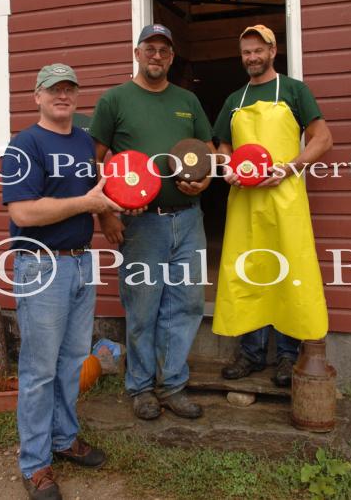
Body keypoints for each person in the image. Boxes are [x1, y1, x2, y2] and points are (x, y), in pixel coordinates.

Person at [2, 64, 122, 500]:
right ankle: (34, 464)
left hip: (80, 263)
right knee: (38, 371)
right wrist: (85, 204)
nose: (63, 95)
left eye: (70, 88)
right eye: (54, 89)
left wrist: (113, 206)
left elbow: (96, 195)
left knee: (73, 361)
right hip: (41, 266)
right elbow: (23, 213)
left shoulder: (82, 142)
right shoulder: (24, 144)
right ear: (37, 96)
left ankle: (63, 438)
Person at [90, 24, 214, 421]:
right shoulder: (115, 100)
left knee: (187, 303)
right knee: (143, 307)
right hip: (142, 226)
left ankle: (173, 385)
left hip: (189, 221)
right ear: (137, 53)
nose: (157, 56)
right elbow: (92, 160)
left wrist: (204, 183)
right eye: (150, 48)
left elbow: (206, 152)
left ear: (171, 57)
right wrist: (106, 213)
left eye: (164, 50)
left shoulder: (188, 101)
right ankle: (141, 388)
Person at [212, 25, 333, 386]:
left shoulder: (295, 90)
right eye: (246, 52)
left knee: (288, 273)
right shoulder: (235, 98)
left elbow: (323, 139)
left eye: (258, 50)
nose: (252, 57)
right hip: (245, 201)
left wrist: (290, 167)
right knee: (250, 270)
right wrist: (227, 167)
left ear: (272, 50)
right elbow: (220, 146)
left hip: (285, 198)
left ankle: (286, 356)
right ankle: (250, 354)